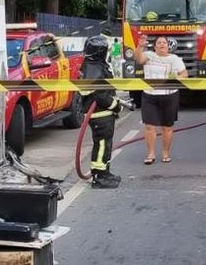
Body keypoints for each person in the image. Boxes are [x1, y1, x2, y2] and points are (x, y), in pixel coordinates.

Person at [133, 35, 188, 165]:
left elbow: (184, 74)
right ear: (155, 46)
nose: (162, 45)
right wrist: (140, 46)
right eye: (159, 43)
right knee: (149, 126)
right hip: (150, 96)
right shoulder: (149, 56)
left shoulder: (175, 59)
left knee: (167, 127)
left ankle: (165, 153)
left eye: (164, 43)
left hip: (169, 96)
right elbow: (138, 59)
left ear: (168, 46)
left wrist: (178, 78)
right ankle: (150, 154)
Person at [80, 35, 123, 189]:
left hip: (100, 113)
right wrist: (114, 105)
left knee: (105, 144)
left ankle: (105, 171)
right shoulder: (94, 67)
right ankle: (99, 177)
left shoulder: (93, 65)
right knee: (102, 145)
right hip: (100, 113)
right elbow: (98, 94)